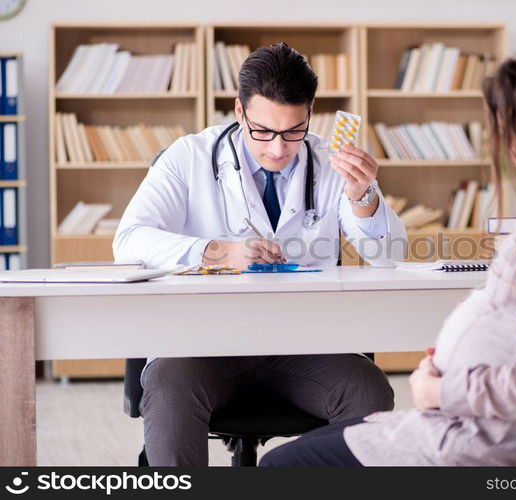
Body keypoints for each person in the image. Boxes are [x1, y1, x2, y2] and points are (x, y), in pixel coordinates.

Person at [259, 45, 516, 466]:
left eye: (504, 128)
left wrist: (441, 389)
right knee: (336, 436)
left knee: (280, 465)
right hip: (475, 424)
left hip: (484, 440)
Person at [113, 42, 407, 466]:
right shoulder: (189, 157)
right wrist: (217, 252)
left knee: (368, 391)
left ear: (310, 114)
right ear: (239, 110)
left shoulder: (331, 163)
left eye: (293, 132)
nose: (277, 148)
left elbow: (389, 255)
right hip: (203, 343)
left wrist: (363, 197)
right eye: (263, 131)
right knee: (169, 387)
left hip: (304, 342)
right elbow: (129, 240)